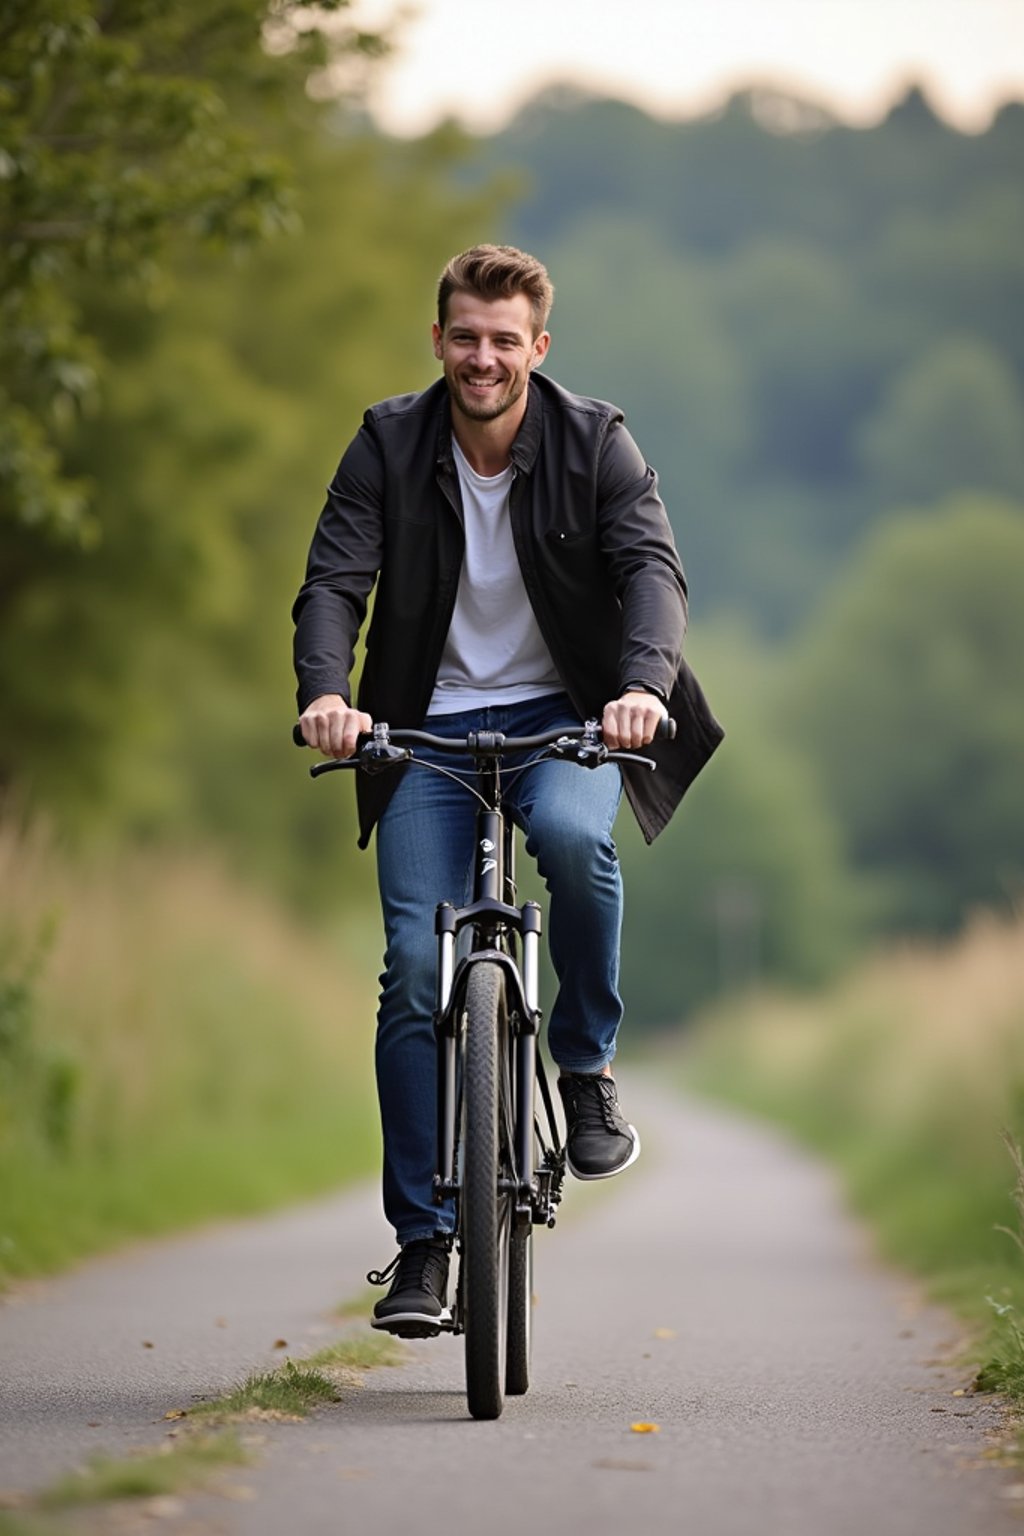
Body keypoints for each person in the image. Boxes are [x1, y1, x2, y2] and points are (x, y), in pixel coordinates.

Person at [293, 244, 722, 1336]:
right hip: (419, 731)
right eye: (464, 337)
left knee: (579, 850)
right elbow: (335, 581)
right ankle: (425, 1244)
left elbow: (650, 577)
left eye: (504, 340)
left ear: (538, 347)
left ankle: (583, 1065)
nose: (483, 358)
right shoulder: (387, 442)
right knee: (407, 968)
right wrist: (326, 694)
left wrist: (640, 687)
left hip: (566, 723)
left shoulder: (596, 444)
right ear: (437, 341)